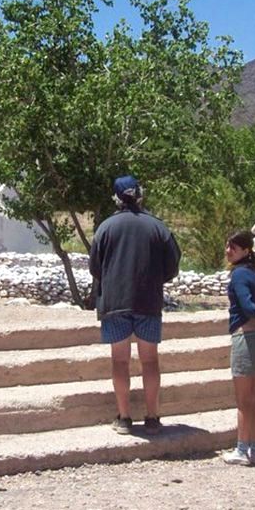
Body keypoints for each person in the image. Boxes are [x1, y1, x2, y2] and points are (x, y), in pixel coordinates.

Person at [89, 175, 181, 436]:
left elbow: (95, 267)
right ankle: (152, 417)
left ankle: (124, 417)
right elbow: (172, 266)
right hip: (148, 302)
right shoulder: (158, 227)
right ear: (140, 195)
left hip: (114, 303)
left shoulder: (105, 227)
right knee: (150, 361)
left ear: (116, 198)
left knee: (120, 361)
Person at [221, 230, 255, 466]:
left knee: (243, 399)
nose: (228, 251)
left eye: (233, 247)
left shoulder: (239, 274)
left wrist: (252, 315)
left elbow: (247, 304)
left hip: (245, 336)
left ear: (245, 251)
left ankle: (242, 449)